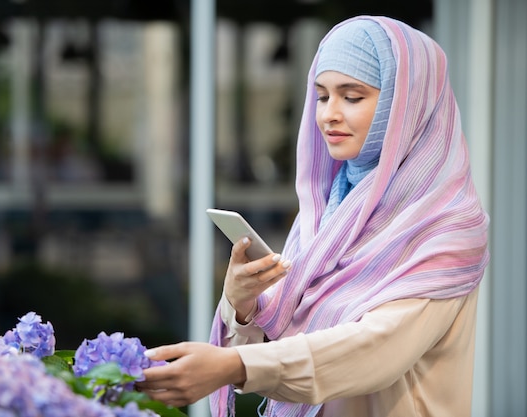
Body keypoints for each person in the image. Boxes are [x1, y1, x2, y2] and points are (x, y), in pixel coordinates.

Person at [136, 15, 489, 417]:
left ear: (407, 104)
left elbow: (374, 350)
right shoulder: (327, 214)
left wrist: (235, 366)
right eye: (322, 96)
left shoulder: (448, 227)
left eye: (351, 97)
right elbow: (281, 341)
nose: (328, 115)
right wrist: (243, 302)